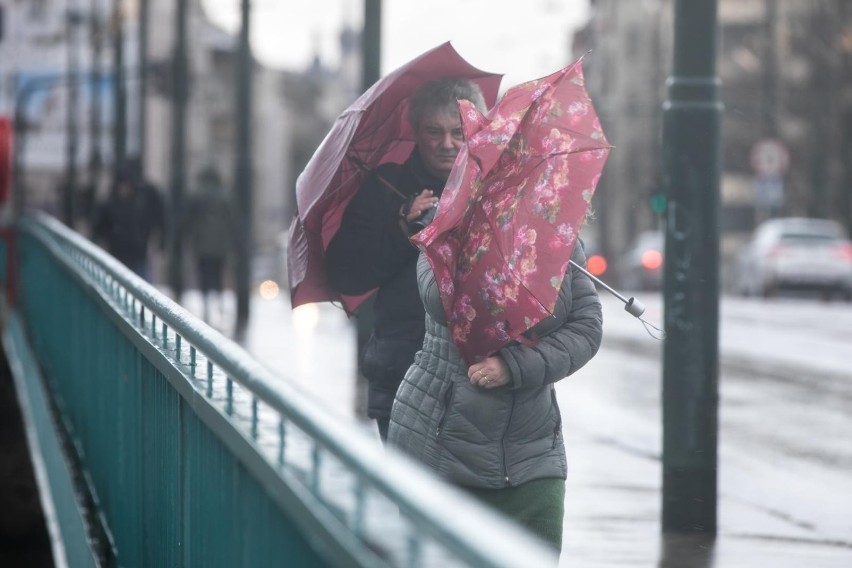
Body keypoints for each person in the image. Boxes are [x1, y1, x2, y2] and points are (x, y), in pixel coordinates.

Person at [387, 242, 603, 554]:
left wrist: (513, 366)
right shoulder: (447, 228)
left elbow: (586, 328)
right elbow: (439, 300)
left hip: (533, 451)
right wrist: (490, 250)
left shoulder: (560, 236)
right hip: (442, 448)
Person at [325, 78, 488, 443]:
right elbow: (346, 274)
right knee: (412, 496)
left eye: (458, 131)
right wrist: (401, 227)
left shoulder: (494, 188)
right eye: (434, 132)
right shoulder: (386, 186)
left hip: (477, 379)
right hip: (402, 369)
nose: (447, 144)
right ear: (416, 131)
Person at [182, 166, 238, 323]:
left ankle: (207, 304)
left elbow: (187, 221)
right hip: (220, 246)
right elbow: (232, 222)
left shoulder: (197, 196)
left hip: (201, 245)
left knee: (204, 275)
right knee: (218, 274)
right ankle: (219, 302)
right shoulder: (224, 197)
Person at [92, 164, 165, 281]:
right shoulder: (110, 205)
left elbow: (154, 221)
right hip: (118, 254)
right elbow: (100, 228)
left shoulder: (140, 204)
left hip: (138, 254)